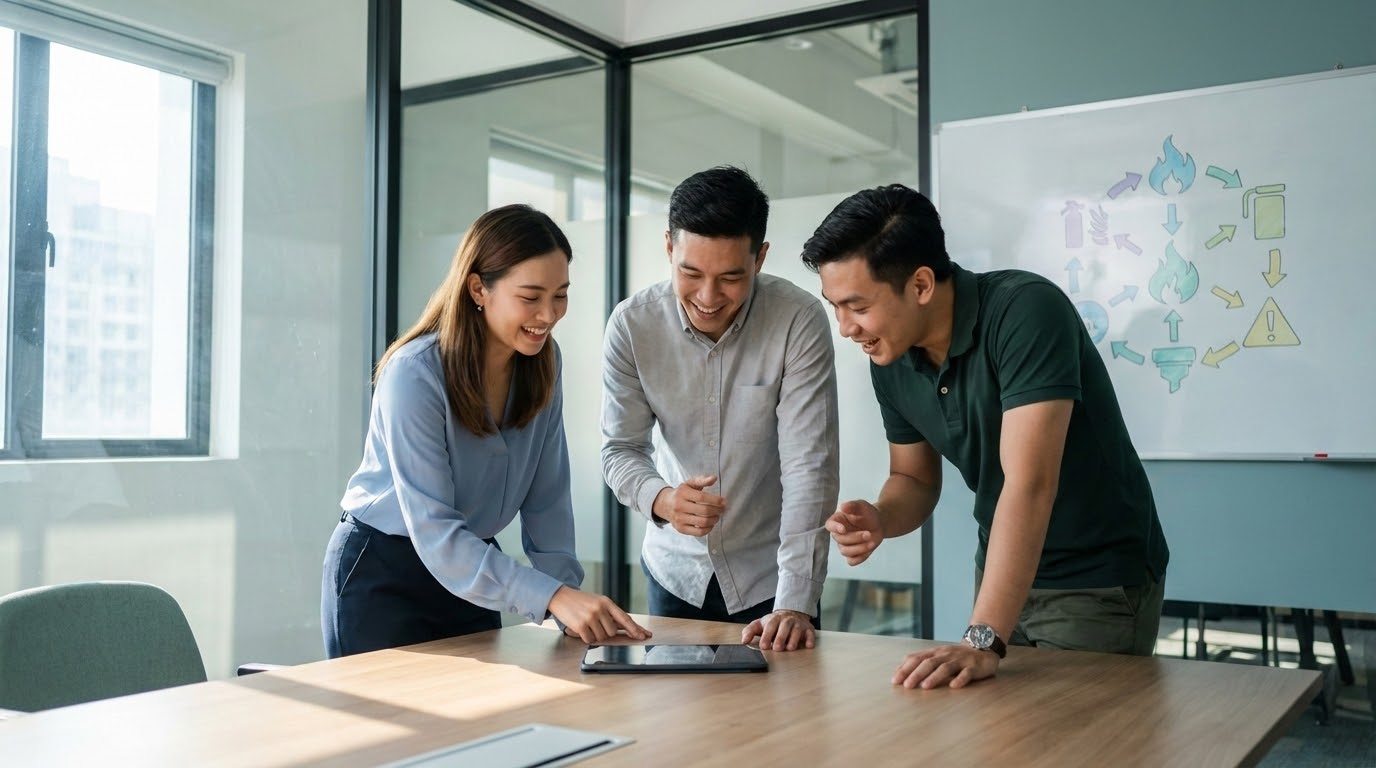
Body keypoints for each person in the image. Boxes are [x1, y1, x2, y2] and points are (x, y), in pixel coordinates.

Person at [800, 184, 1168, 687]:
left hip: (1095, 581)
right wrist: (883, 517)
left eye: (857, 306)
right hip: (1000, 574)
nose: (845, 327)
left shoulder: (1026, 311)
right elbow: (913, 477)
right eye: (835, 306)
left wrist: (983, 637)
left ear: (922, 284)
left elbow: (1030, 484)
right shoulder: (891, 356)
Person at [323, 204, 649, 658]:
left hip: (471, 571)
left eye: (560, 294)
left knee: (485, 719)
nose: (549, 314)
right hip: (384, 574)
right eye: (531, 296)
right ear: (479, 288)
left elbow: (548, 501)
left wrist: (567, 598)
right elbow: (435, 531)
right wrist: (552, 598)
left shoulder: (545, 363)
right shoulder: (414, 374)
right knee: (400, 727)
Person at [601, 166, 839, 652]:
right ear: (669, 247)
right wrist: (663, 500)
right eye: (690, 273)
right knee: (680, 726)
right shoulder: (632, 325)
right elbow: (620, 450)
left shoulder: (797, 319)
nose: (708, 298)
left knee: (783, 724)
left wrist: (795, 602)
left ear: (760, 258)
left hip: (772, 580)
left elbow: (808, 465)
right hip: (674, 575)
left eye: (731, 277)